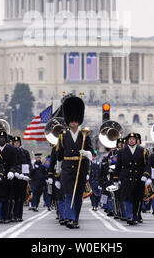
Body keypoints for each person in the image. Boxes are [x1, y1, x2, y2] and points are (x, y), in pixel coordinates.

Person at [55, 95, 94, 229]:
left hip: (80, 167)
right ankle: (70, 218)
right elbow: (59, 155)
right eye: (71, 121)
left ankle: (75, 218)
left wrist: (87, 154)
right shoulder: (63, 135)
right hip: (67, 169)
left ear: (79, 121)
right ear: (68, 121)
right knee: (68, 194)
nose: (73, 123)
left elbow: (91, 152)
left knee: (77, 195)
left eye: (76, 121)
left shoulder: (85, 135)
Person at [113, 132, 151, 225]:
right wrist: (115, 179)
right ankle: (129, 216)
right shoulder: (122, 151)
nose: (132, 140)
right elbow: (118, 166)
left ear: (136, 140)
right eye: (130, 139)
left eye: (133, 139)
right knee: (128, 197)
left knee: (137, 198)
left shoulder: (143, 150)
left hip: (139, 178)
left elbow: (147, 164)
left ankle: (136, 215)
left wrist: (146, 175)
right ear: (127, 140)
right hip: (126, 178)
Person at [0, 129, 18, 224]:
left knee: (7, 198)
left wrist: (12, 171)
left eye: (3, 138)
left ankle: (6, 216)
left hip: (8, 176)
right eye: (0, 138)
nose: (2, 139)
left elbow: (14, 163)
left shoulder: (12, 149)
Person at [12, 136, 31, 221]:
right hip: (14, 176)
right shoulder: (11, 151)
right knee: (14, 197)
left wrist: (27, 174)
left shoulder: (25, 152)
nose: (16, 143)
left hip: (22, 177)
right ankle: (14, 214)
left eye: (18, 142)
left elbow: (28, 163)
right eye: (15, 142)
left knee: (21, 197)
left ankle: (19, 215)